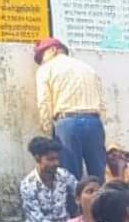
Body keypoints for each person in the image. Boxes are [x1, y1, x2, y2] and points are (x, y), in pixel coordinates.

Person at [35, 38, 107, 185]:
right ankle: (103, 200)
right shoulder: (88, 68)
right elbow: (102, 103)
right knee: (99, 174)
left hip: (67, 123)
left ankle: (73, 200)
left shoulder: (46, 69)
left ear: (53, 50)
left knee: (69, 177)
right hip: (94, 122)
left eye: (42, 56)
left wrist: (48, 133)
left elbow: (44, 103)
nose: (42, 61)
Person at [19, 137, 74, 222]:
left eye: (57, 159)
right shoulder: (28, 185)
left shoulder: (63, 175)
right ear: (37, 158)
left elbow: (79, 191)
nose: (56, 163)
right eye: (51, 159)